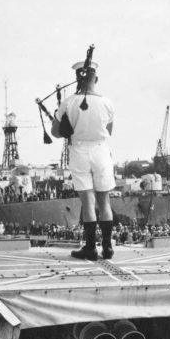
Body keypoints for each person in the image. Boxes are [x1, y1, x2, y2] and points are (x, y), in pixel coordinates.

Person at [52, 56, 116, 260]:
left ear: (77, 78)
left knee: (88, 203)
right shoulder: (107, 103)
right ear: (95, 79)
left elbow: (55, 132)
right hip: (101, 151)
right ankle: (107, 247)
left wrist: (69, 128)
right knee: (104, 202)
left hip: (79, 151)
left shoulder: (68, 102)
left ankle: (90, 248)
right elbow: (109, 131)